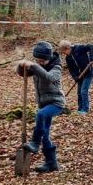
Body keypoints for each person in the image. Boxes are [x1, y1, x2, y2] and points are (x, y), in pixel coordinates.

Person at [17, 40, 66, 173]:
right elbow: (22, 74)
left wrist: (33, 65)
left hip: (56, 103)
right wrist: (22, 66)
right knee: (45, 134)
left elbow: (48, 77)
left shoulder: (56, 68)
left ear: (48, 59)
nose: (40, 63)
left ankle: (35, 143)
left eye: (42, 61)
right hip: (44, 104)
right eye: (37, 60)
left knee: (41, 114)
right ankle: (51, 164)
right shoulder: (37, 66)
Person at [58, 40, 93, 115]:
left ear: (68, 48)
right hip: (79, 76)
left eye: (64, 52)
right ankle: (80, 109)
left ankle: (85, 109)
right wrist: (75, 77)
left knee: (83, 91)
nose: (64, 54)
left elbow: (91, 46)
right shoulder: (68, 58)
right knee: (79, 92)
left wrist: (92, 57)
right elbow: (71, 70)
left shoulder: (79, 48)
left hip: (88, 72)